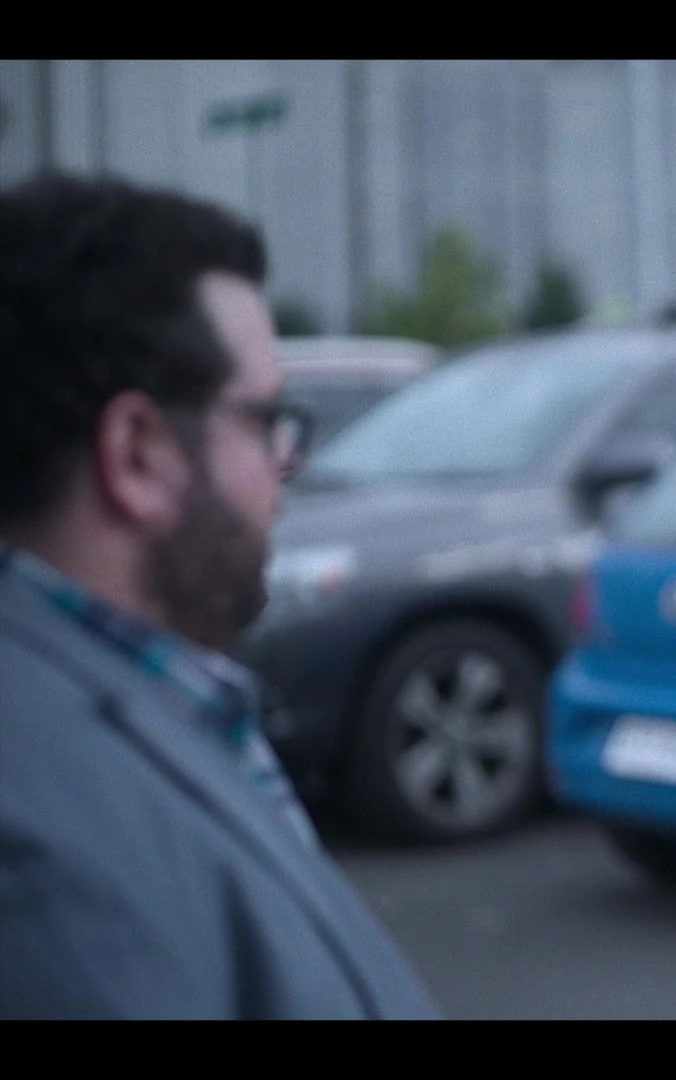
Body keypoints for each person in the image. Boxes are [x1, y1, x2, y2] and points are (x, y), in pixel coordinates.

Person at [0, 172, 441, 1019]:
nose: (287, 466)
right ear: (138, 454)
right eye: (266, 422)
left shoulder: (128, 700)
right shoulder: (35, 841)